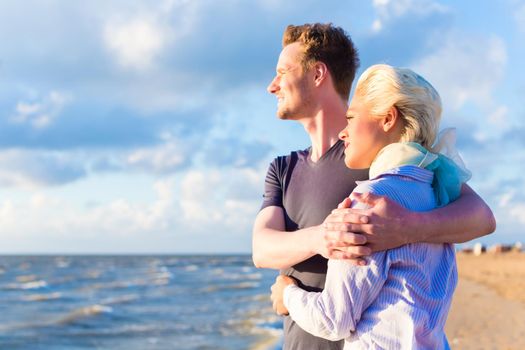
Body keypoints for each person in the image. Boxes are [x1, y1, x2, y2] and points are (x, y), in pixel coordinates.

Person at [252, 23, 495, 350]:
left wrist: (406, 226)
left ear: (318, 73)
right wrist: (327, 236)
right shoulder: (283, 167)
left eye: (283, 71)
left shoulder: (384, 160)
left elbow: (480, 216)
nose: (272, 85)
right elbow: (262, 249)